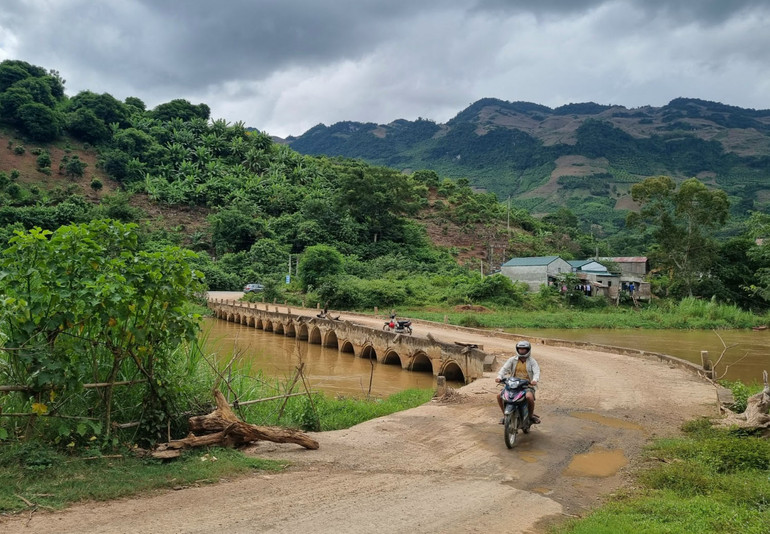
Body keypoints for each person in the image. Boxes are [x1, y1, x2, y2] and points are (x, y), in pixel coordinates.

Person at [495, 340, 541, 424]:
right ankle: (505, 415)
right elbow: (504, 369)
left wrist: (534, 380)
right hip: (513, 384)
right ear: (517, 349)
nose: (522, 351)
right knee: (499, 396)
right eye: (520, 349)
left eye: (524, 349)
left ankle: (530, 416)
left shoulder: (532, 361)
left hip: (527, 386)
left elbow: (536, 372)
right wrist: (499, 377)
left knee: (529, 397)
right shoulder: (512, 360)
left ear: (528, 350)